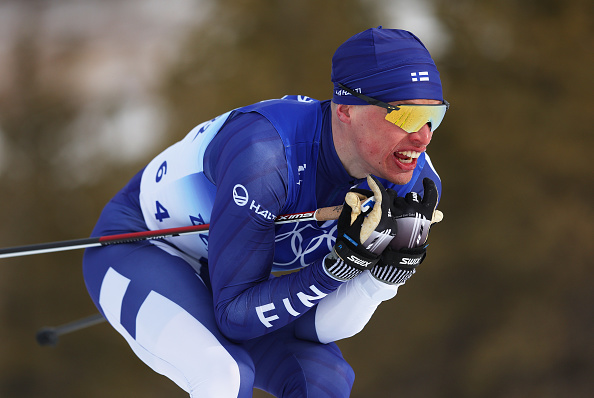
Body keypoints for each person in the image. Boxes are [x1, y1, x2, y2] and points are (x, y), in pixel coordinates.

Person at [82, 27, 448, 397]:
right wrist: (336, 268)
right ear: (347, 109)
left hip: (238, 277)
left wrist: (380, 279)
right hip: (142, 247)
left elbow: (317, 329)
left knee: (325, 383)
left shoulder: (412, 184)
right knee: (223, 375)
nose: (423, 137)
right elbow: (235, 318)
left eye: (434, 116)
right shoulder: (267, 156)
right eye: (405, 117)